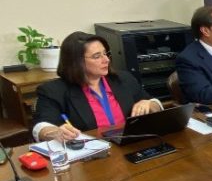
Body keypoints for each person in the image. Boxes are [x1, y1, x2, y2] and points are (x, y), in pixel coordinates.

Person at [32, 32, 163, 141]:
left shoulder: (123, 79)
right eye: (97, 56)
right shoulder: (53, 90)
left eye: (105, 54)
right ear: (76, 62)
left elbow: (155, 104)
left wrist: (149, 104)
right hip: (90, 155)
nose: (106, 60)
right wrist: (55, 132)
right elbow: (41, 127)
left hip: (129, 144)